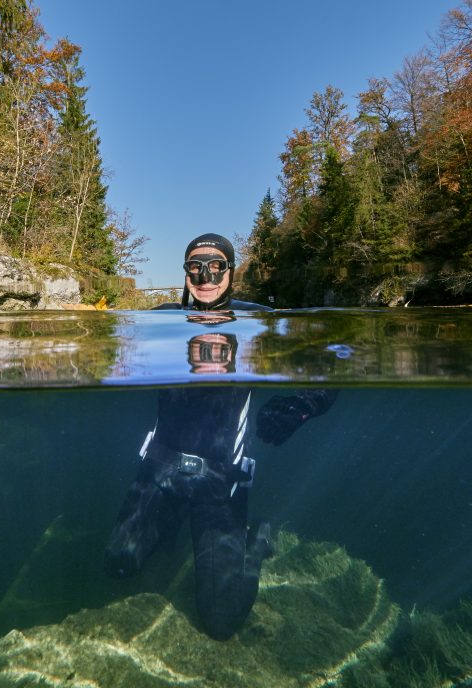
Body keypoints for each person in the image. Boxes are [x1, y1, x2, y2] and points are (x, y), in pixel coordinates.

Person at [105, 233, 337, 639]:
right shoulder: (161, 319)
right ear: (185, 272)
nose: (206, 276)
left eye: (216, 266)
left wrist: (302, 406)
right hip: (159, 473)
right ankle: (171, 520)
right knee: (118, 565)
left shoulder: (258, 321)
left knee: (221, 621)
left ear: (231, 270)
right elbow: (106, 349)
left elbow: (330, 363)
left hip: (221, 485)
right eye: (196, 266)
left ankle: (256, 542)